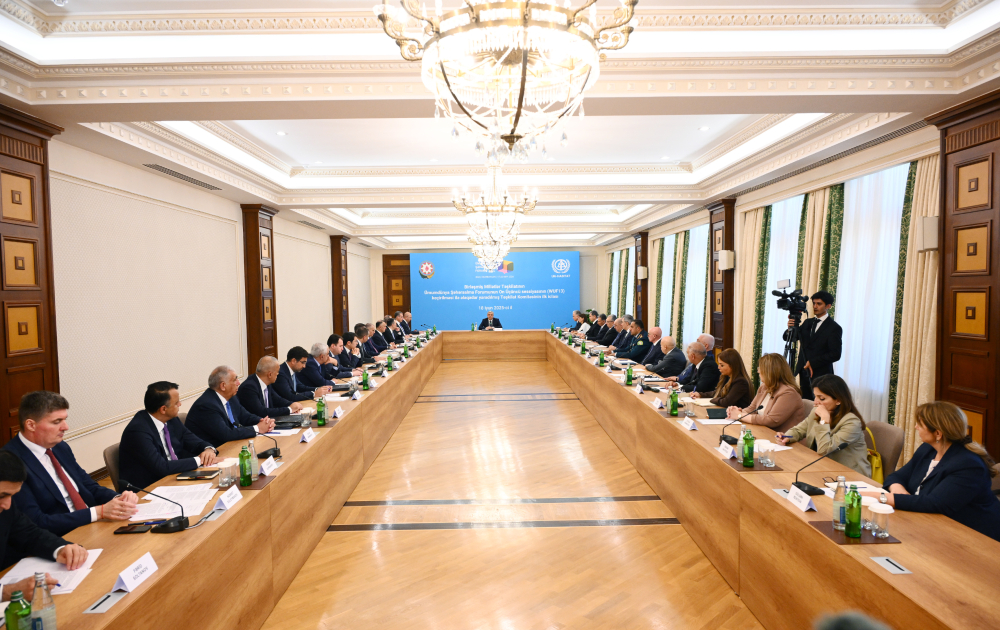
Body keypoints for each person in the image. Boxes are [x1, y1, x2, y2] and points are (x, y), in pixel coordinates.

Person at [2, 392, 138, 536]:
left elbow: (88, 486)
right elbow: (37, 521)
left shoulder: (60, 447)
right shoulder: (10, 463)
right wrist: (98, 512)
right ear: (31, 425)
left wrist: (119, 499)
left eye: (65, 420)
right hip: (61, 536)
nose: (65, 427)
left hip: (93, 524)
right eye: (57, 422)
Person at [862, 402, 1000, 541]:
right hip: (926, 523)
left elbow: (935, 503)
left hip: (971, 536)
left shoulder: (968, 465)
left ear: (938, 433)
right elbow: (896, 476)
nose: (916, 427)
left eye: (920, 424)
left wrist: (880, 497)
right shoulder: (928, 449)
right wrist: (900, 492)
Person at [0, 451, 89, 591]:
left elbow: (29, 534)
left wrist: (60, 549)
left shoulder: (6, 507)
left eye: (12, 496)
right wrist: (7, 592)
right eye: (2, 496)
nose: (7, 505)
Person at [119, 381, 219, 490]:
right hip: (150, 488)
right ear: (163, 409)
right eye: (176, 403)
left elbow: (194, 441)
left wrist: (208, 450)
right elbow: (161, 467)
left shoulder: (172, 420)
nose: (180, 404)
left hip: (176, 477)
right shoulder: (138, 431)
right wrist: (200, 460)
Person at [776, 375, 870, 476]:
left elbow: (825, 450)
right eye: (815, 396)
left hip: (848, 475)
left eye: (822, 398)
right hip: (821, 467)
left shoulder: (851, 422)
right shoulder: (816, 411)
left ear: (838, 400)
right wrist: (787, 437)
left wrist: (824, 420)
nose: (816, 402)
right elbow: (799, 430)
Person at [185, 366, 275, 448]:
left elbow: (245, 416)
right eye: (235, 380)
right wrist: (258, 428)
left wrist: (264, 422)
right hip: (213, 452)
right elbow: (226, 434)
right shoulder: (206, 405)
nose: (238, 383)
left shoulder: (231, 397)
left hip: (233, 445)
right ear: (223, 386)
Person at [786, 291, 842, 400]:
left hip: (821, 374)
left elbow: (835, 354)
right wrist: (790, 329)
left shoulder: (834, 328)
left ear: (828, 306)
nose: (815, 306)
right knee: (805, 401)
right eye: (814, 303)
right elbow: (793, 338)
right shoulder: (808, 322)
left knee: (818, 402)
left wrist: (812, 362)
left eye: (819, 304)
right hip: (804, 370)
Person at [728, 353, 802, 433]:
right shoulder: (764, 387)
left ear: (769, 372)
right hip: (763, 432)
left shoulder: (789, 393)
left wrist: (739, 415)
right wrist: (738, 411)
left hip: (782, 437)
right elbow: (752, 409)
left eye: (760, 368)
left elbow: (771, 420)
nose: (758, 371)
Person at [237, 356, 305, 419]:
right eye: (277, 372)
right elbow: (261, 412)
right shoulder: (249, 387)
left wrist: (292, 404)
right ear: (270, 374)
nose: (278, 374)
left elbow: (277, 400)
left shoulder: (266, 382)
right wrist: (289, 409)